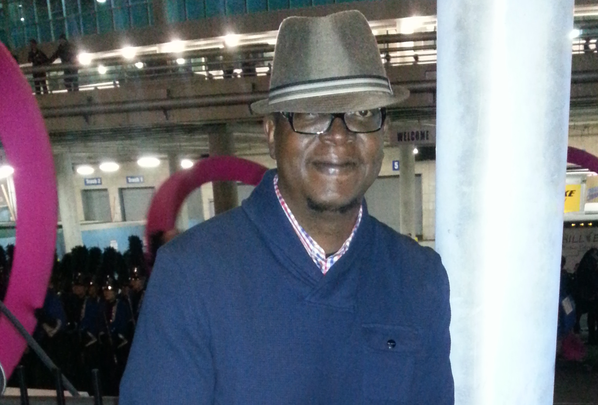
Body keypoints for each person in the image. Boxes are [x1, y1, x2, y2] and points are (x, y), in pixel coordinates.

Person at [120, 10, 453, 404]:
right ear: (271, 133)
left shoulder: (418, 278)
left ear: (384, 132)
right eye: (311, 113)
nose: (339, 135)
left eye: (362, 113)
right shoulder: (193, 277)